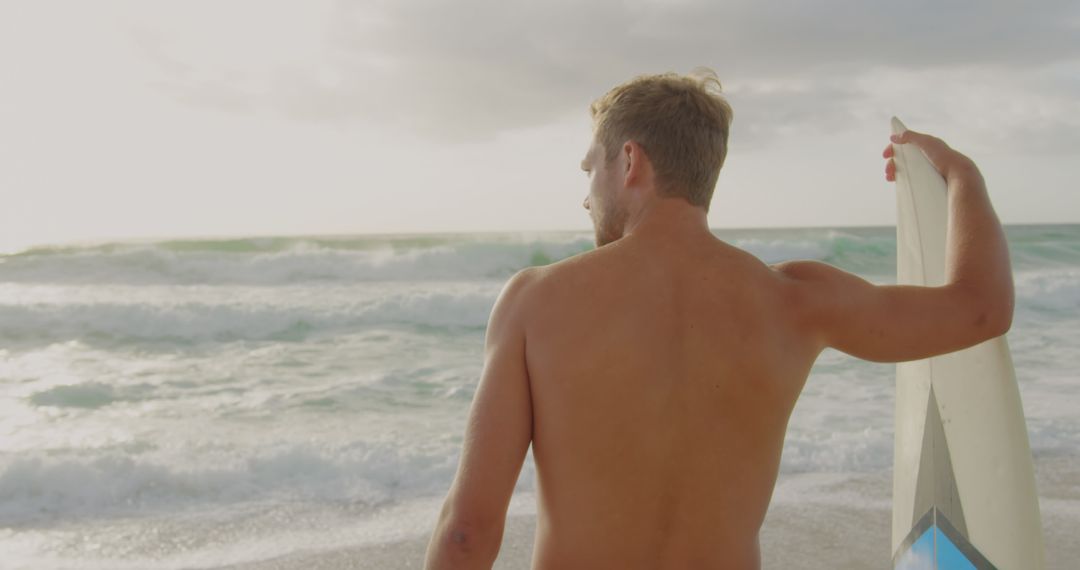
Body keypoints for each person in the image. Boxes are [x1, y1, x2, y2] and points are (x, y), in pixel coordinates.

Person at [423, 70, 1013, 569]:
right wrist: (963, 178)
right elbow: (981, 309)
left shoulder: (537, 301)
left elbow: (467, 532)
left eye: (589, 170)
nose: (585, 196)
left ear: (630, 161)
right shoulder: (795, 300)